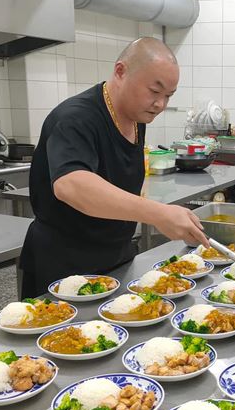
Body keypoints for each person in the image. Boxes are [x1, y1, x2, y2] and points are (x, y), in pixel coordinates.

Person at [19, 37, 209, 297]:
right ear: (120, 72)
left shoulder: (136, 118)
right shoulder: (75, 117)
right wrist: (158, 213)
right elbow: (71, 185)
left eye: (168, 96)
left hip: (117, 258)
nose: (160, 104)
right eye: (154, 91)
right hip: (65, 267)